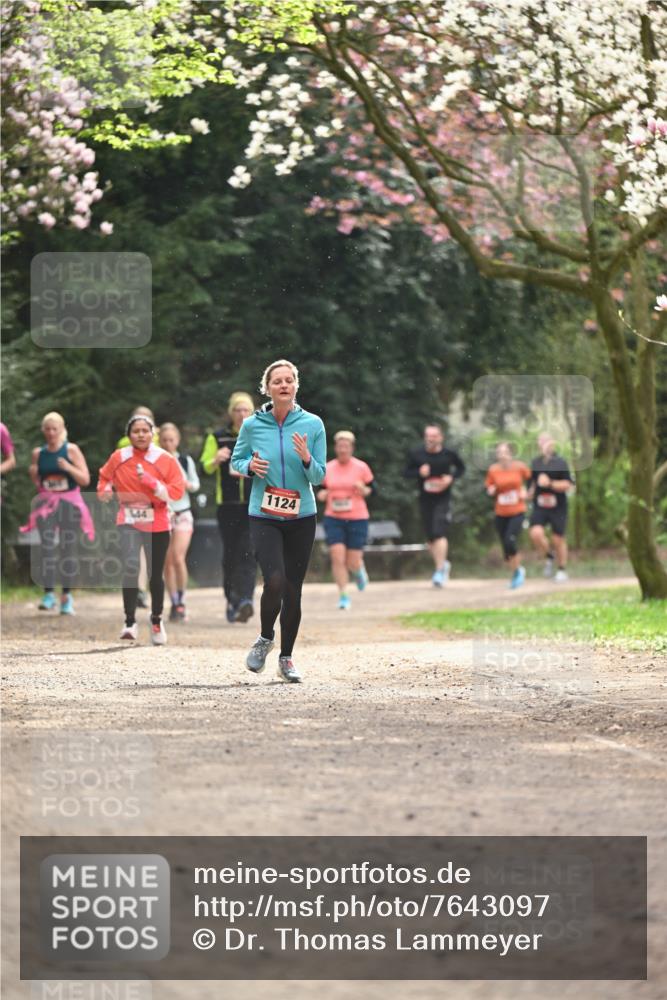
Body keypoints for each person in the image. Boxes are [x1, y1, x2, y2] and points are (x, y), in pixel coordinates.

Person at [231, 359, 326, 683]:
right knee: (274, 581)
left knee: (293, 589)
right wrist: (249, 467)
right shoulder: (253, 425)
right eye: (277, 381)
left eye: (289, 380)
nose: (283, 385)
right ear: (267, 388)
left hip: (301, 515)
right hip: (265, 514)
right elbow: (237, 459)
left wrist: (306, 458)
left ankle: (286, 659)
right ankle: (264, 638)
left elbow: (320, 475)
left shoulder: (313, 424)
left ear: (296, 385)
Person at [97, 414, 185, 644]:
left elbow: (176, 492)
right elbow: (104, 477)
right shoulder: (119, 456)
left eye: (145, 431)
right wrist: (104, 490)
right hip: (128, 518)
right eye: (136, 431)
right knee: (130, 566)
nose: (140, 435)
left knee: (156, 573)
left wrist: (151, 482)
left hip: (157, 518)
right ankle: (129, 622)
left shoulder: (164, 459)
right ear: (129, 435)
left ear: (153, 433)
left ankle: (156, 620)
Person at [21, 412, 93, 615]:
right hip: (47, 504)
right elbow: (39, 483)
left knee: (67, 549)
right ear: (43, 431)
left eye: (55, 429)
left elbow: (85, 479)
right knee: (46, 548)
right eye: (48, 429)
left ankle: (66, 597)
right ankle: (49, 594)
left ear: (62, 429)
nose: (51, 432)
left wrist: (68, 467)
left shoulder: (71, 450)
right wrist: (34, 475)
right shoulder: (38, 453)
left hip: (69, 503)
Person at [200, 392, 257, 623]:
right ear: (231, 413)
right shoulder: (218, 437)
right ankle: (232, 599)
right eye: (237, 410)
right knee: (230, 554)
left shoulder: (260, 435)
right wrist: (216, 459)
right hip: (228, 505)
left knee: (250, 552)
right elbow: (204, 467)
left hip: (254, 504)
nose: (242, 414)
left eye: (246, 410)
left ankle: (246, 600)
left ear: (251, 413)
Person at [317, 430, 375, 610]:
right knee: (337, 556)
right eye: (340, 446)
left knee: (352, 561)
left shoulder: (361, 467)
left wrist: (363, 489)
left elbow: (372, 490)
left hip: (357, 517)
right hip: (333, 517)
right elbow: (320, 490)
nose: (343, 449)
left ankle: (358, 571)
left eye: (346, 446)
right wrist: (322, 494)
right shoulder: (328, 467)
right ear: (335, 448)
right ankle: (343, 595)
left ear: (352, 448)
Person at [404, 424, 465, 587]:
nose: (431, 439)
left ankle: (439, 571)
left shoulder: (449, 454)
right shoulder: (417, 454)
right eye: (428, 436)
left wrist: (450, 478)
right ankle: (443, 564)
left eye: (434, 436)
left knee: (439, 532)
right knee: (431, 537)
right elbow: (406, 473)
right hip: (425, 499)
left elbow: (461, 468)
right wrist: (419, 472)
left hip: (443, 499)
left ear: (440, 437)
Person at [117, 406, 159, 609]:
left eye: (146, 424)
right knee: (136, 552)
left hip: (156, 505)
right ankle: (140, 590)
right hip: (132, 504)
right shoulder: (123, 446)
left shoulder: (159, 445)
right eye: (136, 425)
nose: (141, 433)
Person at [159, 422, 200, 621]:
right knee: (166, 561)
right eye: (164, 440)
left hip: (182, 512)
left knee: (177, 557)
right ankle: (174, 602)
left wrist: (185, 482)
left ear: (177, 440)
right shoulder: (155, 461)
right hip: (162, 514)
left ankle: (182, 600)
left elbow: (195, 485)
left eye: (171, 440)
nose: (168, 443)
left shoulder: (185, 460)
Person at [485, 441, 532, 589]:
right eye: (499, 453)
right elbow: (489, 486)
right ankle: (515, 571)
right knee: (506, 548)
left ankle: (518, 572)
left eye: (505, 452)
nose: (502, 455)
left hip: (517, 510)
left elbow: (532, 480)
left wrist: (527, 492)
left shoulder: (520, 467)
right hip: (501, 512)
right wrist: (491, 490)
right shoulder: (493, 470)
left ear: (511, 454)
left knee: (510, 540)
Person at [528, 432, 574, 582]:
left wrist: (550, 483)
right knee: (535, 533)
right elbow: (532, 486)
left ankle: (561, 569)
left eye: (546, 440)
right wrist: (525, 494)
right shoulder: (535, 463)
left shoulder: (561, 462)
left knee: (557, 539)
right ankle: (549, 556)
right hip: (540, 505)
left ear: (552, 443)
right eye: (540, 441)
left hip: (558, 506)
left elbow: (568, 484)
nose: (543, 443)